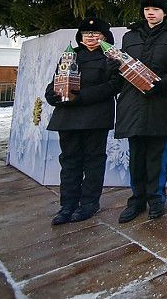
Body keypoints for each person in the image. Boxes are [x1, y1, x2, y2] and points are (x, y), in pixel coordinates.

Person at [114, 0, 167, 223]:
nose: (150, 12)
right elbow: (122, 66)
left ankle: (156, 199)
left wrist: (161, 83)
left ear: (165, 12)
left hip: (160, 103)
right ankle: (136, 200)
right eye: (147, 9)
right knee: (136, 155)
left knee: (157, 153)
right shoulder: (130, 36)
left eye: (155, 9)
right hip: (133, 103)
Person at [44, 18, 119, 225]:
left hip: (95, 118)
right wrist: (52, 95)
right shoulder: (71, 55)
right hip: (67, 119)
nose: (91, 38)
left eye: (96, 34)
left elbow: (113, 86)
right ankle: (67, 204)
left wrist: (79, 96)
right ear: (80, 36)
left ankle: (89, 203)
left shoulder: (110, 57)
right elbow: (56, 81)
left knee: (93, 162)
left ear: (104, 37)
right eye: (87, 34)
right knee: (69, 162)